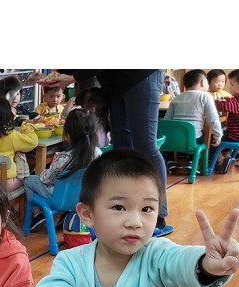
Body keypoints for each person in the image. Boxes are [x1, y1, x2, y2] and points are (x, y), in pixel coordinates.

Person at [32, 149, 239, 287]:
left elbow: (181, 262)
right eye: (119, 207)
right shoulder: (70, 262)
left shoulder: (157, 257)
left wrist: (206, 266)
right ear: (87, 214)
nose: (135, 222)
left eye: (146, 209)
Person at [29, 69, 172, 237]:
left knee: (145, 147)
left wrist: (73, 77)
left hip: (140, 76)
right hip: (116, 84)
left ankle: (159, 215)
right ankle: (125, 205)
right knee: (121, 147)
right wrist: (56, 75)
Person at [24, 108, 102, 231]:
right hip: (85, 198)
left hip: (58, 200)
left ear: (69, 136)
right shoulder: (98, 154)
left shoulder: (62, 158)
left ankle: (36, 215)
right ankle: (65, 215)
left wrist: (43, 172)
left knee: (29, 180)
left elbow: (47, 179)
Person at [164, 69, 224, 170]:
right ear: (202, 82)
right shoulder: (205, 96)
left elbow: (167, 121)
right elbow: (213, 119)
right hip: (192, 141)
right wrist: (218, 135)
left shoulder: (176, 98)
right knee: (201, 135)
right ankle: (192, 161)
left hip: (173, 141)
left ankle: (170, 161)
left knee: (174, 134)